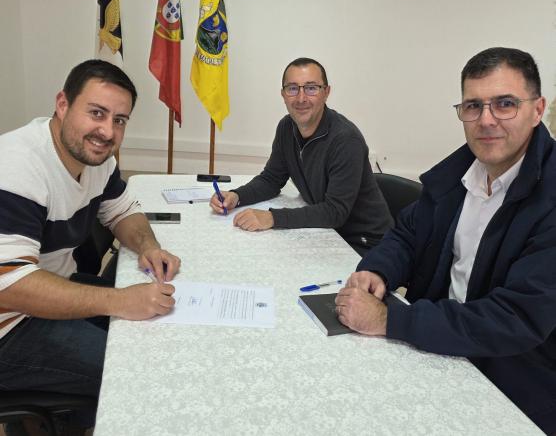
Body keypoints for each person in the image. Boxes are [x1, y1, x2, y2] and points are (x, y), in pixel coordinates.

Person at [335, 47, 556, 434]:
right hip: (436, 349)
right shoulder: (460, 173)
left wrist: (391, 319)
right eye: (473, 106)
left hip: (511, 384)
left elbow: (516, 318)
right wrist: (378, 269)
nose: (486, 120)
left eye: (505, 104)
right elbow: (407, 234)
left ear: (537, 110)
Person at [0, 60, 181, 434]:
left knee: (164, 332)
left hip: (52, 291)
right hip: (10, 325)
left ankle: (69, 420)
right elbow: (10, 283)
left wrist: (147, 246)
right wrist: (120, 301)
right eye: (97, 113)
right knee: (143, 371)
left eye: (119, 120)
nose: (107, 131)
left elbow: (123, 211)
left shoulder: (97, 158)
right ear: (62, 104)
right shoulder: (16, 166)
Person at [210, 57, 393, 255]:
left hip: (365, 244)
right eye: (292, 88)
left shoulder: (346, 140)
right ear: (283, 94)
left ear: (326, 92)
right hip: (326, 234)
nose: (301, 98)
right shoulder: (286, 127)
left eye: (311, 88)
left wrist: (272, 218)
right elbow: (271, 179)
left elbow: (335, 212)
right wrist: (237, 196)